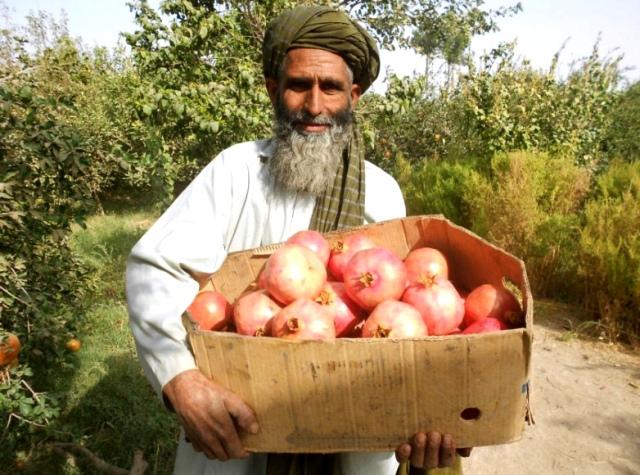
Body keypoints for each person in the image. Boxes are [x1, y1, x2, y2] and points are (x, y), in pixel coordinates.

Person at [126, 5, 470, 475]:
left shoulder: (382, 191)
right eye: (297, 85)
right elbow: (155, 269)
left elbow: (398, 314)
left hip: (355, 436)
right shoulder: (237, 171)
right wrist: (180, 378)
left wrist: (426, 416)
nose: (313, 106)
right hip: (242, 434)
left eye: (329, 87)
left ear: (354, 94)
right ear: (274, 90)